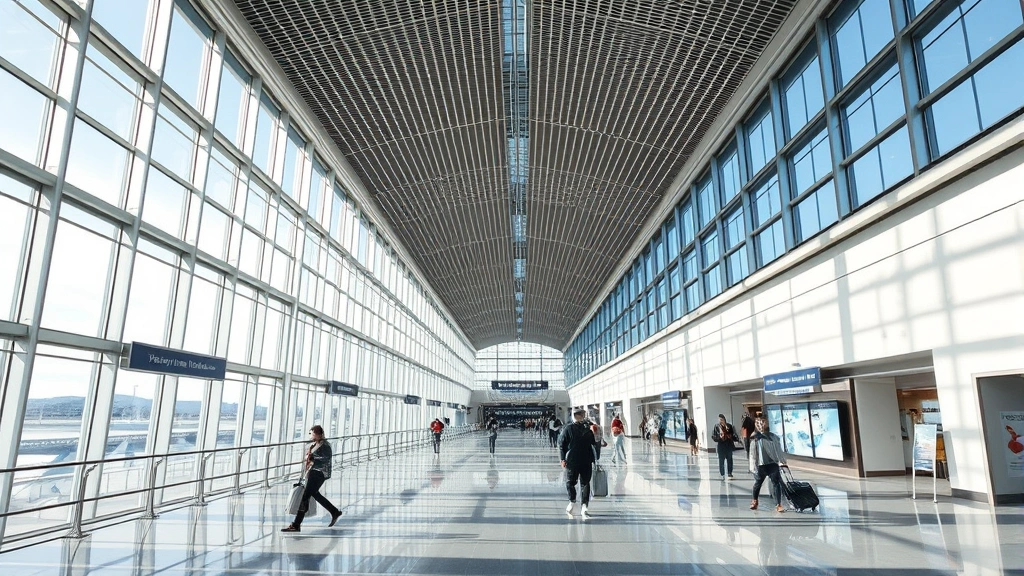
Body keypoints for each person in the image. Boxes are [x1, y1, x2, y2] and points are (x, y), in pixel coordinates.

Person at [282, 425, 342, 532]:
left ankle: (296, 524)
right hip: (313, 472)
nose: (311, 435)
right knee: (314, 494)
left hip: (319, 473)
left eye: (312, 433)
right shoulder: (315, 444)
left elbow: (326, 458)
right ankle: (334, 512)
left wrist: (313, 458)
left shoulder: (325, 445)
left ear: (319, 434)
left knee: (305, 497)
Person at [559, 408, 597, 518]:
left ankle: (582, 505)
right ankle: (575, 502)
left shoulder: (587, 428)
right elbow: (562, 444)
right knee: (575, 482)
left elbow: (594, 442)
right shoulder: (569, 429)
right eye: (581, 414)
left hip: (579, 460)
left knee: (581, 482)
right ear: (577, 416)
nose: (582, 416)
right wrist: (563, 459)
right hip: (576, 460)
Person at [748, 416, 788, 513]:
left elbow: (778, 449)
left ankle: (778, 504)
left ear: (767, 424)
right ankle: (754, 501)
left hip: (772, 464)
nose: (761, 425)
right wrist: (752, 466)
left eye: (763, 422)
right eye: (758, 423)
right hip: (760, 465)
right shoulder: (755, 438)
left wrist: (782, 460)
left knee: (776, 483)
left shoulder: (773, 437)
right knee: (758, 483)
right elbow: (752, 454)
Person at [711, 413, 738, 480]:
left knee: (729, 460)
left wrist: (732, 437)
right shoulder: (716, 427)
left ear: (724, 420)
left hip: (728, 445)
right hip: (721, 446)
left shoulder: (729, 426)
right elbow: (713, 436)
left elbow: (734, 434)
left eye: (722, 419)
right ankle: (722, 474)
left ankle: (729, 473)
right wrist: (719, 437)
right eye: (720, 419)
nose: (721, 421)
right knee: (721, 461)